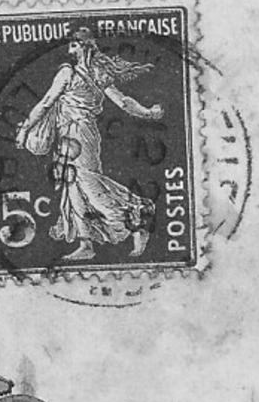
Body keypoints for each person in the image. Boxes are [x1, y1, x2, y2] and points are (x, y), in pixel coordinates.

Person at [15, 28, 164, 261]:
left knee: (89, 185)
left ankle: (137, 216)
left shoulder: (76, 73)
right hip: (68, 136)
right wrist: (149, 113)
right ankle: (86, 244)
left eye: (73, 45)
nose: (69, 50)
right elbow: (122, 102)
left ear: (85, 46)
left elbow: (46, 103)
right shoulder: (87, 72)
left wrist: (25, 130)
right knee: (72, 188)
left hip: (80, 135)